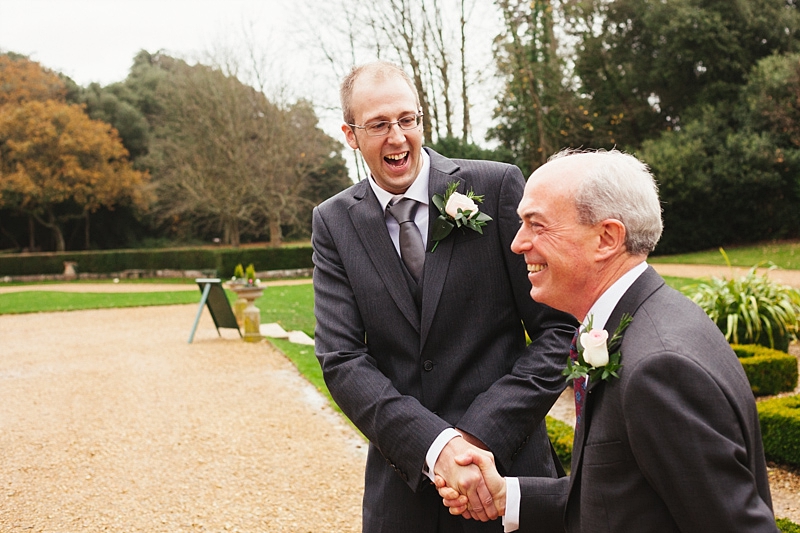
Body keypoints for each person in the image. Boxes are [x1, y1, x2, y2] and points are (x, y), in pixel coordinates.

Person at [437, 148, 778, 532]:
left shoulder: (659, 368)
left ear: (606, 238)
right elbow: (625, 494)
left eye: (537, 225)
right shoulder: (644, 320)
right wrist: (508, 497)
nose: (517, 243)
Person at [311, 61, 577, 533]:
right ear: (350, 135)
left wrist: (475, 436)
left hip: (507, 475)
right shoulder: (333, 222)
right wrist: (435, 446)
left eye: (407, 119)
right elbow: (342, 358)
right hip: (405, 492)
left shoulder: (494, 188)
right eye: (377, 125)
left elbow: (558, 328)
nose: (397, 138)